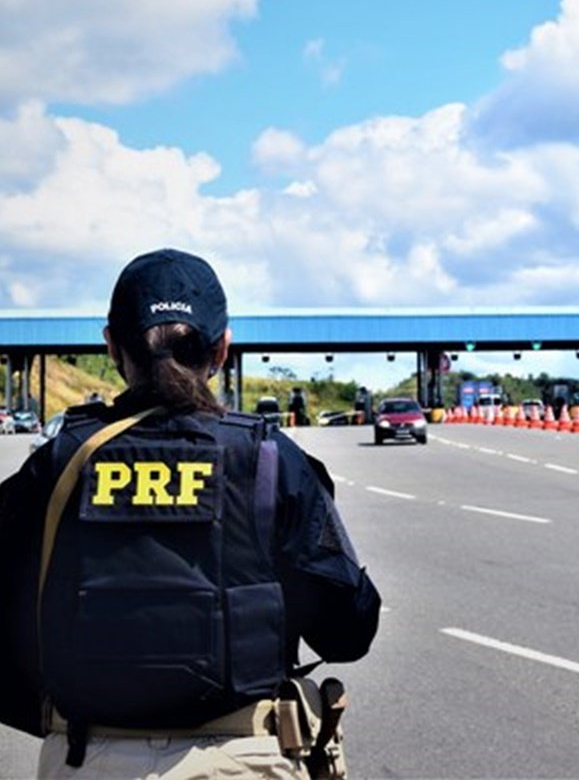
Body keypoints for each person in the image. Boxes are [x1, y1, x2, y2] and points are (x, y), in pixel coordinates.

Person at [0, 248, 381, 778]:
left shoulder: (60, 464)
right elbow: (348, 633)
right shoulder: (269, 459)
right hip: (242, 758)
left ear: (112, 346)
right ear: (223, 348)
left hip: (87, 757)